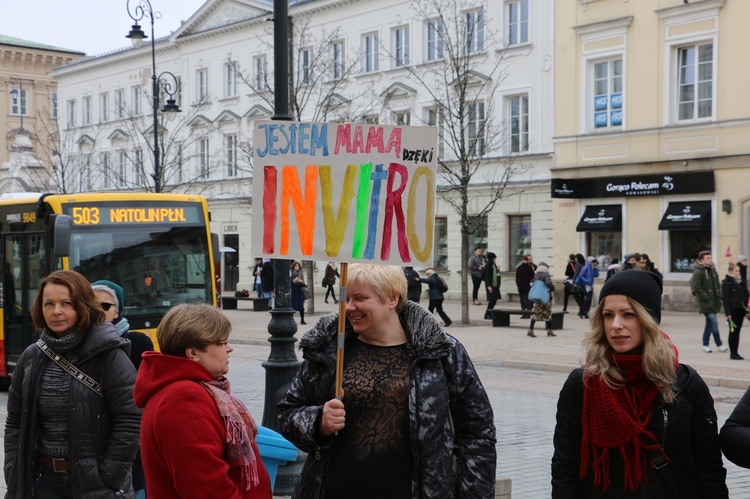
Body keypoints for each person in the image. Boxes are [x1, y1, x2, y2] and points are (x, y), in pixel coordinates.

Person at [277, 264, 496, 499]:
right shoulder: (328, 350)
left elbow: (478, 431)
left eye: (360, 298)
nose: (349, 307)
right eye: (346, 298)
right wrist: (318, 421)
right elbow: (288, 412)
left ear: (392, 298)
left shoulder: (440, 352)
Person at [551, 270, 729, 498]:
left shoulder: (685, 383)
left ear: (649, 319)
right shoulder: (582, 383)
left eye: (628, 314)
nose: (615, 325)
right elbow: (565, 466)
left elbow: (709, 469)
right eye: (607, 315)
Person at [4, 270, 141, 498]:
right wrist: (12, 467)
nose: (56, 311)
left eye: (66, 303)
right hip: (41, 480)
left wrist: (110, 475)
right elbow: (15, 421)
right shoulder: (31, 357)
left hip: (93, 483)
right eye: (49, 303)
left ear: (83, 305)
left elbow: (131, 419)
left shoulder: (108, 354)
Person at [133, 303, 272, 498]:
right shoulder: (185, 397)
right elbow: (208, 488)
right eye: (221, 343)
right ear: (193, 353)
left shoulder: (186, 389)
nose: (229, 348)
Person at [92, 279, 154, 498]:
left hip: (128, 447)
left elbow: (139, 398)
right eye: (91, 303)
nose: (98, 311)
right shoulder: (74, 344)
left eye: (105, 306)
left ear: (117, 312)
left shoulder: (136, 342)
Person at [691, 251, 727, 353]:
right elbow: (697, 287)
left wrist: (719, 297)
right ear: (702, 260)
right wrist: (706, 297)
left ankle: (705, 344)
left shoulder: (712, 270)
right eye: (707, 258)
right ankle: (718, 344)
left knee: (710, 324)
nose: (710, 259)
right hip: (706, 302)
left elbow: (716, 285)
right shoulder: (698, 271)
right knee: (714, 323)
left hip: (714, 301)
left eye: (710, 257)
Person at [722, 262, 748, 360]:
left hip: (742, 309)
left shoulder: (742, 282)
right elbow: (726, 299)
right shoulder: (727, 283)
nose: (738, 273)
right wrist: (728, 313)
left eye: (739, 271)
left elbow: (747, 295)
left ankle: (736, 352)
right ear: (731, 271)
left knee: (738, 331)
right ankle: (733, 353)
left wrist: (747, 306)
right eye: (736, 271)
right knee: (734, 332)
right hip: (733, 311)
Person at [527, 262, 555, 338]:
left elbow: (532, 282)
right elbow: (548, 283)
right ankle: (550, 330)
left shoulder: (536, 274)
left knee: (535, 313)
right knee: (547, 313)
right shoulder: (545, 273)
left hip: (537, 297)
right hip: (544, 297)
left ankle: (531, 329)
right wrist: (552, 288)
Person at [484, 252, 501, 320]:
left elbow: (495, 274)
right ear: (493, 258)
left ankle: (490, 313)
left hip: (494, 285)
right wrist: (489, 286)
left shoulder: (493, 264)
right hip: (490, 285)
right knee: (492, 300)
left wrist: (497, 270)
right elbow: (487, 276)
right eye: (495, 258)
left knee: (494, 300)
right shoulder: (488, 265)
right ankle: (487, 314)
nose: (495, 259)